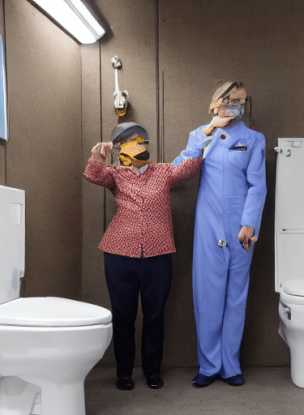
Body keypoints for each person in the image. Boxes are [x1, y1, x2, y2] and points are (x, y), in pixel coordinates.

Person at [84, 122, 210, 391]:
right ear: (121, 150)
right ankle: (124, 373)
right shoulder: (115, 174)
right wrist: (97, 156)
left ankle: (152, 372)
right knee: (123, 318)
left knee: (155, 316)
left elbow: (189, 168)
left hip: (158, 255)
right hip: (119, 254)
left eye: (140, 141)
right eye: (130, 143)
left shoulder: (163, 171)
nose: (136, 146)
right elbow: (92, 175)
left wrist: (206, 134)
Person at [173, 81, 267, 387]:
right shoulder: (202, 135)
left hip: (241, 227)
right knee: (208, 294)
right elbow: (178, 168)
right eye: (230, 99)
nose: (235, 105)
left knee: (236, 296)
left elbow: (257, 186)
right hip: (208, 224)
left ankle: (231, 366)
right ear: (217, 102)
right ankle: (209, 365)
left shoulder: (254, 139)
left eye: (241, 100)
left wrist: (249, 223)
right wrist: (209, 130)